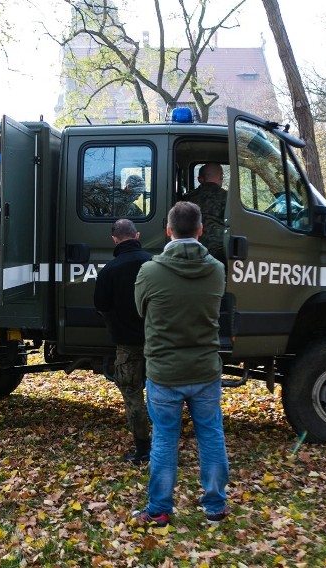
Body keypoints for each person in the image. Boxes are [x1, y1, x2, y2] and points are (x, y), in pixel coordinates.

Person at [132, 201, 229, 528]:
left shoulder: (149, 271)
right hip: (204, 369)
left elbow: (141, 310)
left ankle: (159, 509)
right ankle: (215, 506)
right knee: (211, 435)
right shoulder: (216, 269)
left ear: (168, 230)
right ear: (200, 230)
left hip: (164, 372)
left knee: (163, 439)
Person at [92, 219, 152, 464]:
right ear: (137, 235)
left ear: (114, 239)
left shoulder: (109, 270)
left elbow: (101, 307)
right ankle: (164, 446)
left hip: (127, 346)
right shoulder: (154, 264)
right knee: (163, 395)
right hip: (158, 344)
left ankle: (142, 450)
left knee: (132, 396)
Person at [185, 163, 227, 262]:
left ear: (200, 179)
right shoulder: (227, 197)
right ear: (221, 176)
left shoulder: (188, 198)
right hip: (219, 252)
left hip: (190, 250)